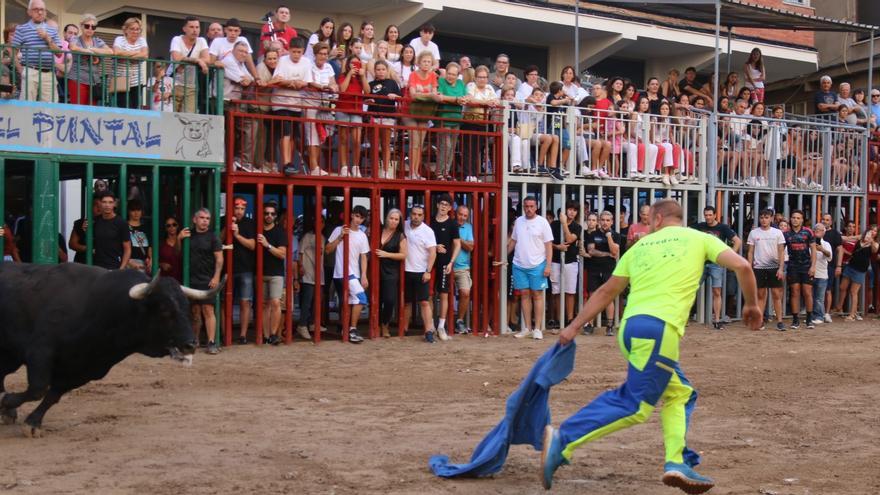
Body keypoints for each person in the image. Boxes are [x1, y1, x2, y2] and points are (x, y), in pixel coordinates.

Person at [543, 199, 761, 494]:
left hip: (631, 329)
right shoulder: (700, 238)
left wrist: (573, 326)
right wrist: (751, 305)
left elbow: (607, 290)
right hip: (660, 331)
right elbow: (743, 265)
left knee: (680, 393)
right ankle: (564, 438)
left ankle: (676, 461)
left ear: (657, 219)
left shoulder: (640, 247)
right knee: (636, 405)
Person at [508, 196, 553, 340]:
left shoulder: (543, 222)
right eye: (526, 206)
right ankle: (527, 327)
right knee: (524, 295)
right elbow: (513, 241)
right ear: (523, 206)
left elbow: (548, 246)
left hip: (538, 264)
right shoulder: (519, 222)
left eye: (531, 206)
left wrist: (548, 265)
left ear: (536, 207)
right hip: (519, 264)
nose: (529, 209)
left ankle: (538, 328)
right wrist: (504, 256)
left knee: (537, 295)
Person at [180, 208, 223, 354]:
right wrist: (179, 239)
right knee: (195, 311)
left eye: (207, 218)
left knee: (208, 309)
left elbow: (219, 258)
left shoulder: (213, 237)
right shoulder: (187, 235)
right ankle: (195, 341)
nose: (205, 221)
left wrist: (216, 276)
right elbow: (176, 253)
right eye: (202, 218)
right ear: (195, 219)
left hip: (207, 279)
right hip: (191, 279)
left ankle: (211, 342)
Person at [326, 205, 370, 343]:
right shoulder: (339, 230)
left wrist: (363, 275)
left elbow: (363, 256)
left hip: (354, 274)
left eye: (361, 218)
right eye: (357, 216)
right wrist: (340, 237)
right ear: (351, 215)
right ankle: (352, 329)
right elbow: (327, 250)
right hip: (342, 272)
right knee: (361, 298)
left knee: (350, 302)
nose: (358, 220)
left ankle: (347, 329)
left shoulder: (362, 236)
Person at [692, 206, 741, 330]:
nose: (708, 217)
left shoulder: (722, 228)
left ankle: (717, 320)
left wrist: (730, 255)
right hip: (700, 262)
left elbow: (737, 241)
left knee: (717, 292)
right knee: (691, 289)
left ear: (715, 215)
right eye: (706, 215)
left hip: (716, 264)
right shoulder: (699, 227)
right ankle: (685, 317)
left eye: (710, 215)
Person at [270, 37, 312, 173]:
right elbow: (278, 80)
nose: (296, 55)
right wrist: (293, 83)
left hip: (296, 103)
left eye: (299, 52)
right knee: (285, 132)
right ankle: (286, 162)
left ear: (303, 51)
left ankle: (290, 163)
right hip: (281, 103)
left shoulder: (306, 62)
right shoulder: (282, 60)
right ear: (289, 50)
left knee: (294, 135)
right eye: (294, 52)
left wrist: (293, 83)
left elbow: (306, 82)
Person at [11, 0, 61, 102]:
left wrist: (48, 38)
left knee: (50, 109)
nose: (40, 12)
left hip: (49, 74)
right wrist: (21, 70)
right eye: (36, 9)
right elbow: (13, 52)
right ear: (29, 12)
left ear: (46, 12)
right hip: (30, 71)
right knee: (26, 106)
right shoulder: (21, 29)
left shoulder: (52, 30)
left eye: (42, 10)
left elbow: (59, 53)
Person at [747, 209, 786, 331]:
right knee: (760, 295)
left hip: (774, 267)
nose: (764, 220)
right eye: (762, 217)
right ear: (759, 219)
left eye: (767, 217)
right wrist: (749, 268)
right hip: (759, 267)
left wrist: (780, 268)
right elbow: (750, 251)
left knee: (776, 295)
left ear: (771, 219)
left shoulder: (778, 233)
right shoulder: (754, 233)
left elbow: (781, 251)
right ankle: (759, 321)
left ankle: (779, 321)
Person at [403, 205, 438, 343]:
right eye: (414, 214)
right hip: (406, 270)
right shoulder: (404, 225)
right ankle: (404, 330)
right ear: (410, 214)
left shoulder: (427, 231)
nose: (416, 217)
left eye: (419, 215)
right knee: (406, 303)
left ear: (423, 216)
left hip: (421, 271)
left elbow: (433, 252)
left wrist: (428, 271)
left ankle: (429, 331)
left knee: (424, 302)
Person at [430, 194, 461, 340]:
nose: (443, 207)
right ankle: (429, 325)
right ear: (437, 205)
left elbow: (457, 244)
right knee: (428, 294)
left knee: (443, 294)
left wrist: (451, 262)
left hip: (444, 263)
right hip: (429, 262)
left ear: (450, 208)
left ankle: (441, 326)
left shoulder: (453, 224)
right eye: (441, 204)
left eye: (446, 205)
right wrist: (434, 247)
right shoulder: (429, 221)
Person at [585, 211, 622, 336]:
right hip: (594, 269)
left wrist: (609, 236)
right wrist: (606, 254)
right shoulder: (592, 234)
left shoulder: (616, 235)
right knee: (592, 297)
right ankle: (590, 324)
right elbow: (591, 251)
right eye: (603, 220)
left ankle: (609, 325)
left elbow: (615, 251)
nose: (605, 222)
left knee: (608, 298)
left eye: (608, 220)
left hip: (609, 270)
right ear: (599, 221)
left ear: (612, 222)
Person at [256, 201, 288, 345]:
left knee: (275, 302)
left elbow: (282, 254)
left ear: (275, 216)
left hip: (276, 273)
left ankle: (274, 334)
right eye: (266, 213)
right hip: (260, 272)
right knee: (263, 305)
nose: (269, 216)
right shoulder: (257, 229)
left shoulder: (280, 231)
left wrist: (267, 245)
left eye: (272, 213)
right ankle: (266, 335)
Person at [549, 201, 582, 332]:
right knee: (556, 291)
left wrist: (564, 223)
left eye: (574, 210)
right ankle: (558, 319)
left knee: (570, 292)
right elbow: (547, 242)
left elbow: (569, 239)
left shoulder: (576, 227)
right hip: (556, 261)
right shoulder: (554, 225)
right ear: (565, 210)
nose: (572, 212)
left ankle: (569, 319)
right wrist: (557, 247)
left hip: (571, 261)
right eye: (570, 209)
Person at [66, 14, 112, 105]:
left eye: (93, 27)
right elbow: (73, 47)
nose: (90, 28)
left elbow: (110, 51)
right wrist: (88, 51)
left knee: (91, 111)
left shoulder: (98, 41)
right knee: (78, 109)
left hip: (94, 81)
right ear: (81, 26)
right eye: (87, 26)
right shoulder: (75, 39)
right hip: (77, 79)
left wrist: (94, 50)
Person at [376, 209, 407, 338]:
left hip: (391, 272)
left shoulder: (400, 235)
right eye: (391, 218)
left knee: (389, 300)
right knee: (376, 299)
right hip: (376, 270)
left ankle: (385, 324)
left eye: (396, 219)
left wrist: (386, 254)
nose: (393, 221)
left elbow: (403, 255)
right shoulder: (377, 231)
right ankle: (376, 325)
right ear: (387, 218)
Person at [228, 197, 255, 344]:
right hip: (228, 268)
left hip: (245, 268)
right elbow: (218, 241)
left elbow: (252, 245)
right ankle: (226, 333)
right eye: (236, 208)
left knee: (245, 302)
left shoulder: (250, 223)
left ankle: (243, 335)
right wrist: (229, 226)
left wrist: (237, 235)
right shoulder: (224, 220)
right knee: (226, 302)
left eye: (242, 209)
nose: (239, 211)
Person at [367, 60, 401, 178]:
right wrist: (368, 100)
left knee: (386, 144)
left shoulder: (392, 83)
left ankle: (386, 171)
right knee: (374, 145)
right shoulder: (370, 84)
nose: (381, 72)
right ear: (375, 71)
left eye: (383, 69)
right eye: (378, 70)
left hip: (387, 116)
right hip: (373, 116)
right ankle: (374, 171)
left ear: (387, 71)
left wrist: (394, 96)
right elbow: (364, 97)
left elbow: (399, 97)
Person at [336, 52, 368, 177]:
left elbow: (367, 91)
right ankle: (344, 167)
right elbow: (342, 89)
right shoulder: (343, 75)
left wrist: (363, 76)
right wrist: (349, 74)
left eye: (357, 63)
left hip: (356, 110)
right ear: (348, 65)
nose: (355, 65)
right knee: (343, 139)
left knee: (356, 140)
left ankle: (355, 167)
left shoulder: (361, 78)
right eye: (352, 63)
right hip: (343, 108)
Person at [169, 16, 209, 113]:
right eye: (191, 27)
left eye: (197, 27)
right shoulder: (177, 39)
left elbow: (207, 59)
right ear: (184, 29)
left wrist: (196, 60)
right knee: (170, 117)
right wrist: (198, 60)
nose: (195, 30)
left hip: (191, 86)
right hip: (173, 84)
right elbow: (176, 57)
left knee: (188, 118)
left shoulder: (201, 41)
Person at [435, 62, 467, 180]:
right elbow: (441, 96)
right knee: (446, 145)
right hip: (443, 118)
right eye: (449, 73)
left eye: (453, 74)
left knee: (452, 147)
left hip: (456, 119)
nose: (450, 76)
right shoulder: (441, 81)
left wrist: (464, 99)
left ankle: (446, 172)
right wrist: (456, 99)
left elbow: (465, 96)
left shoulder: (460, 83)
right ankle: (439, 172)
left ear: (458, 75)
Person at [784, 210, 816, 329]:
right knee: (795, 292)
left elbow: (813, 249)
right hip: (792, 266)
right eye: (793, 217)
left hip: (806, 266)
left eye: (798, 218)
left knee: (807, 292)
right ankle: (795, 319)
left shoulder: (808, 232)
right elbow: (781, 250)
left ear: (802, 220)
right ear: (790, 219)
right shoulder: (786, 234)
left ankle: (809, 319)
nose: (795, 220)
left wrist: (813, 266)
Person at [842, 227, 879, 321]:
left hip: (860, 269)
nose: (872, 233)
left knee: (853, 292)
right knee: (842, 287)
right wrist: (837, 236)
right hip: (851, 265)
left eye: (874, 231)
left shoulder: (875, 243)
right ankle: (839, 307)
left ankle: (852, 314)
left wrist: (871, 241)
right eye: (870, 231)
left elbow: (875, 250)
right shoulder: (860, 237)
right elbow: (848, 238)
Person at [111, 17, 148, 108]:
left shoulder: (142, 40)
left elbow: (145, 55)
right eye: (132, 29)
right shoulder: (119, 39)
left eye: (137, 29)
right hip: (121, 79)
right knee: (122, 108)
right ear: (126, 30)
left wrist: (125, 56)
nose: (135, 32)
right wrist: (136, 54)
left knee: (135, 108)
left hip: (136, 80)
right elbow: (117, 52)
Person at [92, 191, 131, 270]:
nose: (107, 205)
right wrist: (85, 228)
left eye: (110, 202)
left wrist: (121, 269)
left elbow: (127, 248)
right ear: (100, 204)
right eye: (104, 202)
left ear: (114, 204)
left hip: (114, 267)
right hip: (97, 267)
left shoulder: (121, 223)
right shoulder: (95, 221)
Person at [451, 205, 475, 335]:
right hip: (447, 266)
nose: (462, 218)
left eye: (465, 215)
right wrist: (464, 242)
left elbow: (471, 247)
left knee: (465, 293)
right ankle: (441, 323)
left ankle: (459, 321)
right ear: (455, 213)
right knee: (442, 295)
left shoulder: (468, 227)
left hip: (462, 267)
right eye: (460, 214)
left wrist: (458, 239)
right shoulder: (449, 224)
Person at [810, 223, 833, 326]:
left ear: (824, 232)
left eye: (820, 230)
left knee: (819, 298)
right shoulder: (809, 243)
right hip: (810, 272)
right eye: (816, 229)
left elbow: (830, 257)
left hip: (822, 274)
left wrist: (821, 249)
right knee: (810, 296)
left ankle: (819, 316)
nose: (818, 231)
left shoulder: (826, 244)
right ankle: (811, 316)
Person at [69, 196, 101, 264]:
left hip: (103, 262)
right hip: (83, 262)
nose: (99, 207)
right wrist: (89, 249)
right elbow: (72, 244)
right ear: (90, 206)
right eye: (96, 204)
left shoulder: (111, 223)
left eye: (101, 204)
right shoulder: (80, 223)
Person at [125, 200, 151, 273]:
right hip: (130, 262)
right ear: (129, 211)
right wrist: (129, 262)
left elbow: (150, 246)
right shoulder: (124, 227)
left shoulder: (146, 227)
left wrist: (150, 259)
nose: (136, 213)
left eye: (138, 210)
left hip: (145, 263)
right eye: (133, 210)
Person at [159, 215, 182, 282]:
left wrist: (179, 239)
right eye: (168, 225)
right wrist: (161, 264)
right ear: (165, 228)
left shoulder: (184, 242)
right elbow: (153, 261)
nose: (172, 227)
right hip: (165, 280)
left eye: (174, 224)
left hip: (181, 281)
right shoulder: (161, 244)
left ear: (177, 226)